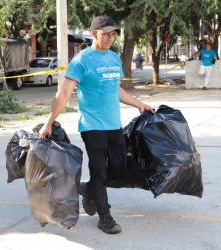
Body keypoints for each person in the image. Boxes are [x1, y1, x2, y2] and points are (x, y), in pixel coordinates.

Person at [38, 15, 154, 234]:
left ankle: (88, 188)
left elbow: (115, 88)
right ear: (94, 34)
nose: (110, 38)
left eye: (112, 34)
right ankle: (105, 217)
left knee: (118, 168)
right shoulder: (81, 60)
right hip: (92, 126)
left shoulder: (113, 58)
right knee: (99, 170)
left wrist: (138, 104)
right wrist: (49, 122)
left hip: (113, 124)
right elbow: (63, 93)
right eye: (106, 33)